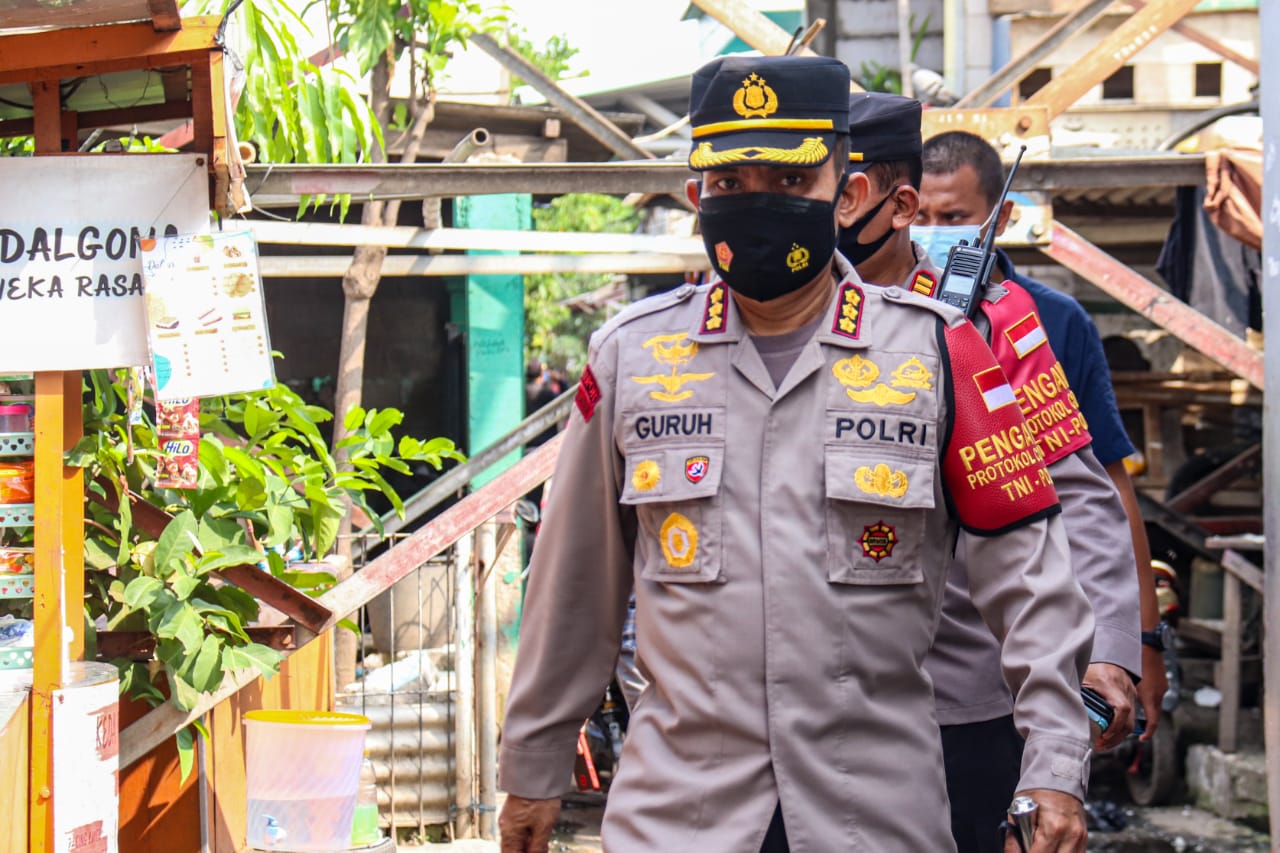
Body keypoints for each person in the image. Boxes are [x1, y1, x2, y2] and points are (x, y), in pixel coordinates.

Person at [498, 54, 1093, 853]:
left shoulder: (942, 352)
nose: (756, 205)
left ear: (847, 194)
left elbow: (1032, 578)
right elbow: (573, 593)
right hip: (680, 822)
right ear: (695, 196)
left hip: (874, 821)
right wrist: (532, 769)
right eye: (729, 185)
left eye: (785, 181)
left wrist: (1054, 760)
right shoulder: (630, 360)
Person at [836, 96, 1142, 853]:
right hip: (819, 703)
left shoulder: (995, 322)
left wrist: (1111, 650)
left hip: (969, 691)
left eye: (847, 190)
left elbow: (1079, 497)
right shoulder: (779, 319)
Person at [917, 129, 1169, 742]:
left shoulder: (1049, 322)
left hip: (1040, 624)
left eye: (953, 217)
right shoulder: (889, 311)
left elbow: (1103, 487)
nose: (932, 232)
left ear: (1000, 216)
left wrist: (1136, 640)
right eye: (920, 215)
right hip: (923, 644)